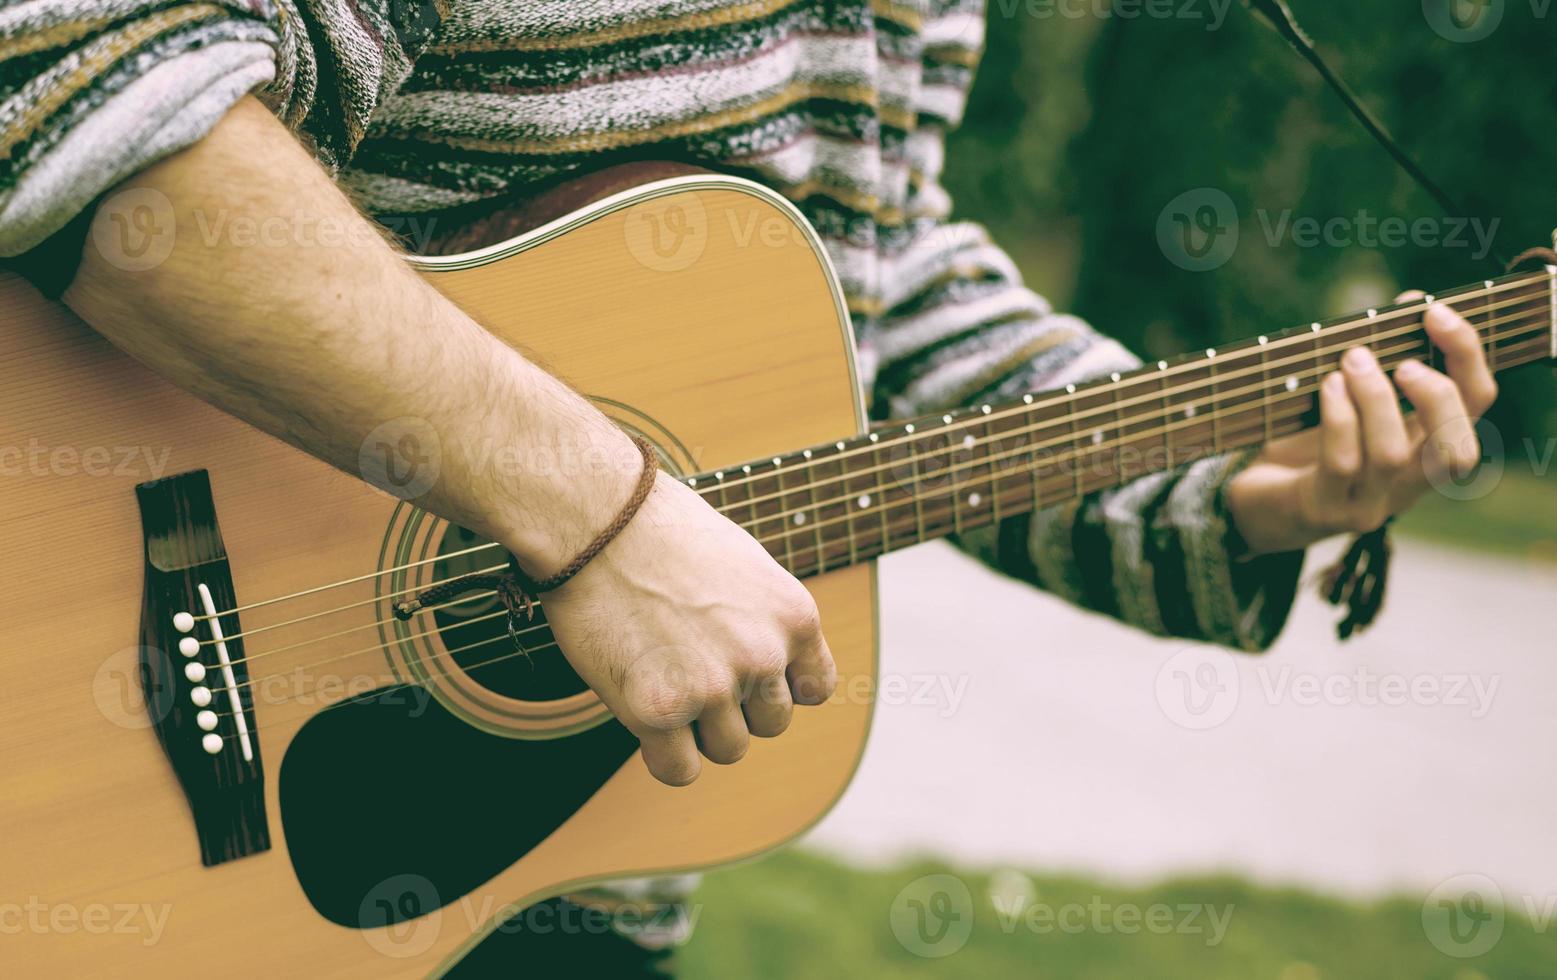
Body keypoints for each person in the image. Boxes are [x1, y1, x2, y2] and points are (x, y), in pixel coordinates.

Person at [0, 1, 1497, 975]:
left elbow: (868, 277)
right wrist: (599, 517)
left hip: (560, 879)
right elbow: (81, 87)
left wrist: (1221, 497)